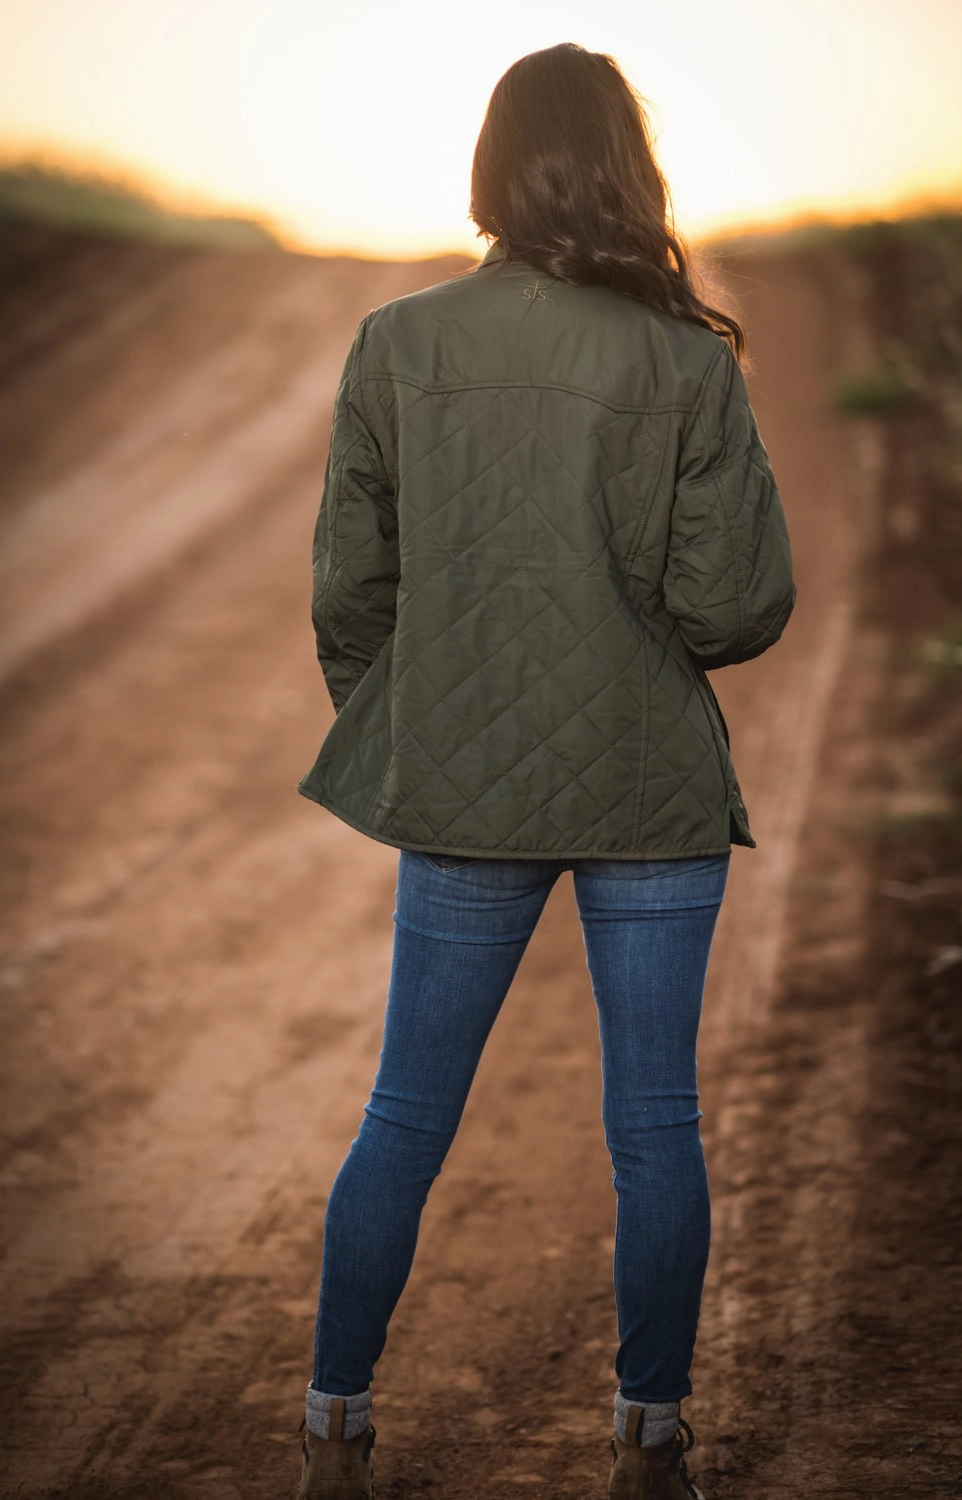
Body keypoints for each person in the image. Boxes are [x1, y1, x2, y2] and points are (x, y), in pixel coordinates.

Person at [295, 41, 795, 1500]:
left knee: (406, 1110)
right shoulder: (688, 359)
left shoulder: (397, 341)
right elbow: (735, 607)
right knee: (656, 1126)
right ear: (629, 170)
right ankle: (649, 1448)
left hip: (461, 783)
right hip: (648, 785)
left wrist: (420, 711)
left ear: (491, 168)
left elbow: (348, 588)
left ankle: (333, 1431)